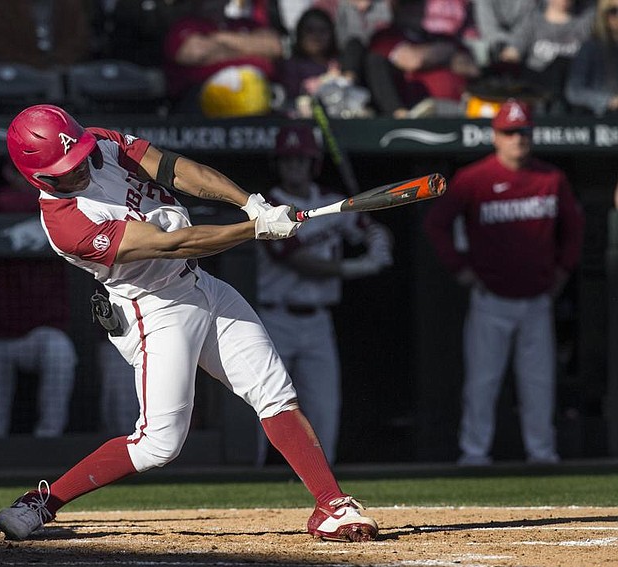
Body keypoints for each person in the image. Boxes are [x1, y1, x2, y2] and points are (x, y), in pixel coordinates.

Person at [0, 103, 379, 544]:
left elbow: (176, 170)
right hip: (154, 310)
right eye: (67, 169)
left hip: (200, 285)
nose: (80, 168)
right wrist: (255, 230)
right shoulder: (67, 224)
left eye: (80, 157)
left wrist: (251, 204)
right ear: (38, 177)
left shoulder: (100, 142)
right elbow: (172, 243)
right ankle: (44, 502)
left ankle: (331, 503)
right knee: (159, 444)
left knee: (275, 394)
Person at [423, 99, 585, 466]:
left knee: (539, 384)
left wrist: (562, 271)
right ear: (496, 136)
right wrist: (460, 269)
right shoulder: (474, 178)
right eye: (510, 133)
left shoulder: (551, 178)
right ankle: (474, 455)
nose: (518, 140)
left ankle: (542, 454)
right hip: (490, 298)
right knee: (483, 382)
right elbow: (436, 223)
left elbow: (574, 230)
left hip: (536, 299)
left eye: (524, 132)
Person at [255, 125, 393, 465]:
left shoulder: (331, 202)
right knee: (264, 406)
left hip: (318, 320)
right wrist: (362, 266)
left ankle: (326, 486)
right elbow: (299, 261)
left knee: (324, 407)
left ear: (313, 163)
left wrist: (378, 240)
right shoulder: (269, 206)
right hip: (275, 318)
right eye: (287, 161)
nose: (294, 167)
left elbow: (368, 229)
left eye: (300, 160)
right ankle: (253, 473)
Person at [0, 160, 78, 439]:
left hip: (38, 334)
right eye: (26, 173)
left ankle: (49, 439)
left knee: (60, 352)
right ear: (9, 173)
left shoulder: (64, 205)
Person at [162, 0, 285, 116]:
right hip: (204, 104)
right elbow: (195, 53)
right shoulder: (185, 26)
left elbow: (274, 47)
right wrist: (250, 48)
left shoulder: (245, 24)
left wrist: (219, 40)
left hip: (261, 99)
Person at [365, 0, 480, 117]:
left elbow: (471, 68)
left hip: (460, 110)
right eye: (407, 5)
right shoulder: (386, 36)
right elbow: (413, 60)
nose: (415, 10)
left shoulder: (441, 38)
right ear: (394, 7)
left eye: (419, 4)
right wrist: (447, 53)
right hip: (417, 113)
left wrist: (435, 55)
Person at [496, 0, 596, 112]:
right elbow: (511, 54)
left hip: (574, 94)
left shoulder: (586, 21)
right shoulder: (532, 21)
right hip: (537, 93)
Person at [564, 0, 618, 116]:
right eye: (614, 11)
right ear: (603, 15)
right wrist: (609, 101)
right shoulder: (590, 48)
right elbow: (574, 92)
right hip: (600, 120)